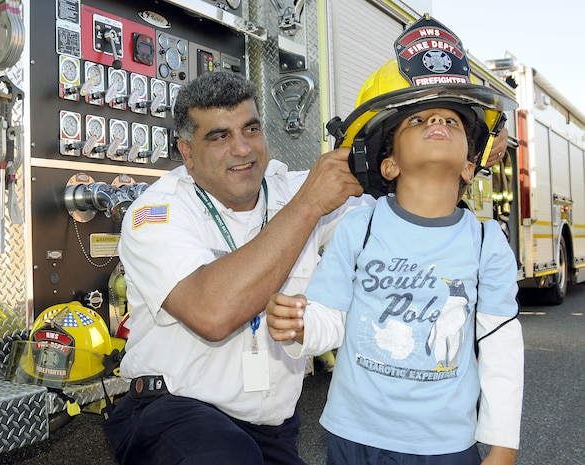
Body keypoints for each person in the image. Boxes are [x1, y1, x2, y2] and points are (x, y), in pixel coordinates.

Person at [266, 15, 524, 465]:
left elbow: (501, 344)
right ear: (388, 164)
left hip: (445, 444)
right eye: (418, 118)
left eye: (452, 120)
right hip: (353, 437)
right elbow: (332, 315)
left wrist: (502, 444)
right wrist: (301, 327)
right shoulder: (359, 229)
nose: (437, 122)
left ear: (469, 164)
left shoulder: (487, 243)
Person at [103, 70, 372, 465]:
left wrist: (467, 152)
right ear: (187, 152)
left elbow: (399, 203)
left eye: (251, 129)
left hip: (273, 429)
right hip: (174, 411)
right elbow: (212, 314)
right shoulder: (156, 211)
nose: (243, 149)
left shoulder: (293, 189)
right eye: (219, 136)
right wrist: (309, 206)